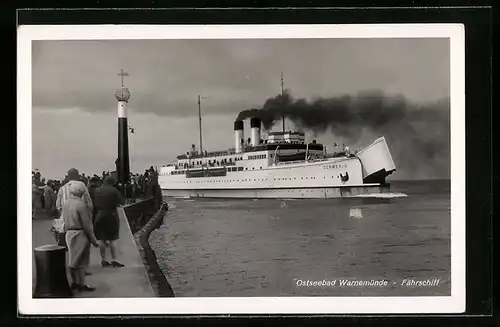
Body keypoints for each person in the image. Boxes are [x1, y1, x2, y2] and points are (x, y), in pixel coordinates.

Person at [55, 168, 94, 276]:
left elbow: (58, 205)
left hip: (66, 222)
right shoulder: (81, 185)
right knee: (84, 247)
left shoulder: (62, 188)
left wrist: (65, 214)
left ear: (67, 176)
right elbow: (88, 202)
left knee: (71, 247)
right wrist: (89, 217)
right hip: (81, 220)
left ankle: (74, 270)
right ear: (77, 175)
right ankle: (82, 270)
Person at [62, 181, 99, 292]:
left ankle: (74, 282)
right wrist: (93, 240)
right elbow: (87, 225)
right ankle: (81, 284)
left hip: (69, 233)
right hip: (80, 234)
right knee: (81, 262)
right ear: (82, 193)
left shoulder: (66, 203)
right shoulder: (81, 205)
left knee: (73, 259)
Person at [93, 175, 126, 268]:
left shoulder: (97, 190)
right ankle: (114, 260)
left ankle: (103, 260)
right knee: (112, 238)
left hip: (99, 215)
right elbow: (123, 202)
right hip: (111, 215)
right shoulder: (113, 190)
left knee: (101, 238)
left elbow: (95, 203)